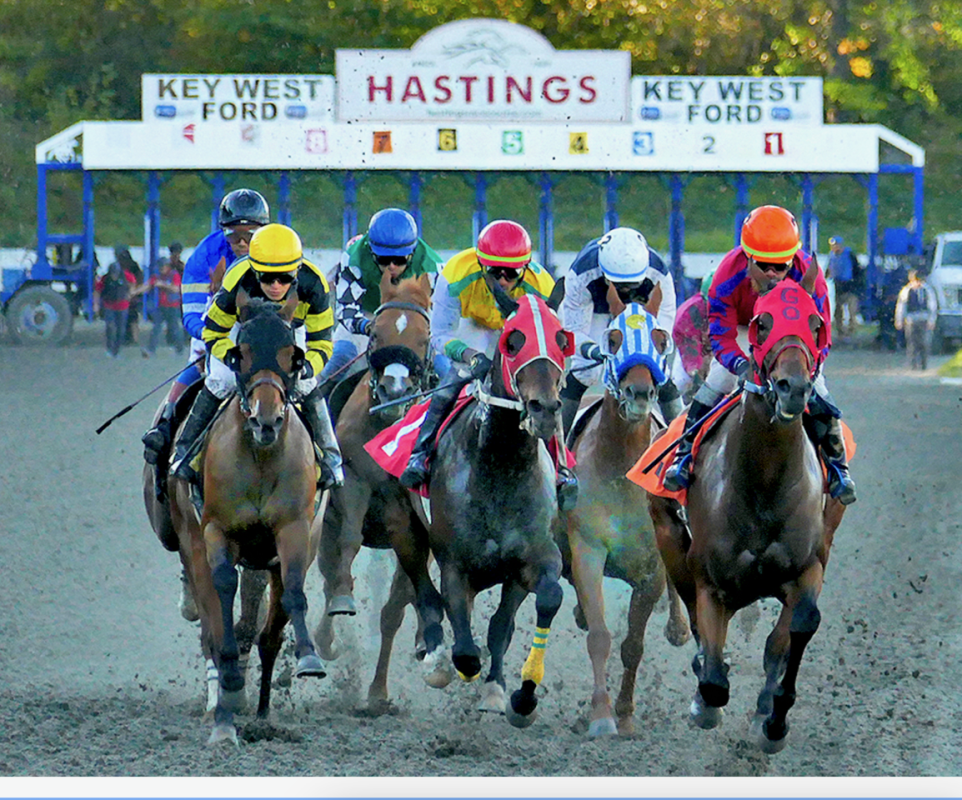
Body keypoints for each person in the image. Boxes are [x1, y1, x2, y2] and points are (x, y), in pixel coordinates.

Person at [662, 205, 856, 505]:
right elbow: (721, 334)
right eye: (764, 265)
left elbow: (823, 334)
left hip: (790, 336)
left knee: (819, 389)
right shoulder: (727, 274)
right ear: (748, 257)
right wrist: (739, 364)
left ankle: (838, 469)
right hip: (745, 328)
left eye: (781, 266)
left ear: (793, 258)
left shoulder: (811, 276)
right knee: (717, 380)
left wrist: (811, 368)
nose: (772, 274)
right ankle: (683, 456)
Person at [398, 219, 577, 506]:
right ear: (481, 265)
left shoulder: (543, 286)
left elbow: (556, 344)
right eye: (495, 272)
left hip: (521, 336)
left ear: (526, 268)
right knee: (455, 379)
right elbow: (439, 334)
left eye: (512, 273)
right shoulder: (456, 274)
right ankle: (421, 454)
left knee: (546, 394)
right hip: (472, 329)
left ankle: (562, 469)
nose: (503, 280)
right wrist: (470, 357)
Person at [169, 223, 343, 491]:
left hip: (289, 330)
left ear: (297, 270)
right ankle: (184, 452)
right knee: (221, 380)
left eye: (284, 278)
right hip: (242, 328)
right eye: (267, 278)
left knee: (306, 384)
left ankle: (331, 458)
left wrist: (308, 366)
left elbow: (321, 342)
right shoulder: (236, 278)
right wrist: (229, 356)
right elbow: (213, 332)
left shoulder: (315, 284)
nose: (275, 286)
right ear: (254, 270)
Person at [141, 188, 269, 465]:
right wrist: (214, 337)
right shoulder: (204, 256)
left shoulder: (278, 250)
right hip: (214, 328)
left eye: (250, 235)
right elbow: (192, 317)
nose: (242, 243)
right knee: (201, 365)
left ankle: (325, 450)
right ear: (223, 231)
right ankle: (166, 428)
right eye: (234, 235)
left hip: (263, 332)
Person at [558, 226, 681, 436]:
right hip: (596, 309)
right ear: (603, 272)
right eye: (617, 283)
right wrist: (595, 351)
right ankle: (554, 446)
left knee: (661, 374)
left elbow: (663, 334)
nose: (625, 290)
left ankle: (684, 445)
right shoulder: (581, 275)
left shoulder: (660, 275)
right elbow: (573, 333)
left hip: (642, 310)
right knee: (585, 371)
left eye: (632, 284)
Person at [320, 207, 446, 385]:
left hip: (415, 320)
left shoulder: (432, 267)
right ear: (371, 252)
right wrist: (367, 326)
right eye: (383, 259)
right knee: (339, 360)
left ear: (412, 253)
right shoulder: (353, 258)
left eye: (400, 260)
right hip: (368, 315)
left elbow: (442, 316)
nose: (391, 266)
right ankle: (313, 401)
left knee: (444, 368)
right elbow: (346, 309)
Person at [670, 269, 715, 403]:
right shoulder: (688, 315)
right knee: (682, 383)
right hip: (694, 348)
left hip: (718, 350)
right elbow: (692, 359)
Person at [93, 260, 138, 358]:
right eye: (112, 274)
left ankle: (116, 350)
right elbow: (97, 291)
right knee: (110, 327)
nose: (114, 276)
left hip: (123, 306)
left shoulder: (126, 276)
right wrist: (96, 304)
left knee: (121, 329)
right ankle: (109, 348)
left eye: (116, 274)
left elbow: (133, 283)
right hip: (109, 306)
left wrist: (130, 293)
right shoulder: (105, 279)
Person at [895, 269, 938, 370]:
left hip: (924, 318)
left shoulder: (927, 290)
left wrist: (932, 320)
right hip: (911, 319)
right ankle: (913, 363)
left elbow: (932, 306)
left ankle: (923, 363)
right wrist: (899, 320)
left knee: (925, 342)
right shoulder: (906, 291)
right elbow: (901, 306)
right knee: (911, 343)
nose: (917, 283)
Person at [144, 256, 185, 357]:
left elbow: (176, 289)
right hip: (162, 307)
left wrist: (163, 285)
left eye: (162, 267)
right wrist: (134, 292)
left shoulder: (174, 275)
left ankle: (180, 349)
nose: (161, 269)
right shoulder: (158, 276)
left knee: (174, 329)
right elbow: (147, 285)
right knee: (156, 327)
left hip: (173, 307)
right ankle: (150, 349)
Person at [827, 236, 861, 336]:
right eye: (832, 246)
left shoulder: (849, 254)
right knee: (838, 310)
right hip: (838, 286)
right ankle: (840, 330)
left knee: (852, 309)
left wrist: (857, 284)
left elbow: (857, 270)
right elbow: (828, 269)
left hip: (851, 286)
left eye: (836, 245)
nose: (834, 247)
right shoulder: (832, 256)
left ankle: (852, 329)